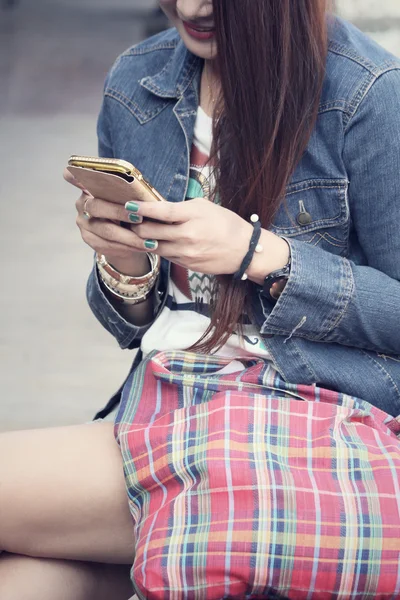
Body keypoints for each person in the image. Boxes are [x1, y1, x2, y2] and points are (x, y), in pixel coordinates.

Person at [1, 0, 400, 598]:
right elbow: (135, 322)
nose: (190, 6)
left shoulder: (370, 93)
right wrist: (126, 262)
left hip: (308, 420)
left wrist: (262, 255)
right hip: (169, 402)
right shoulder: (138, 82)